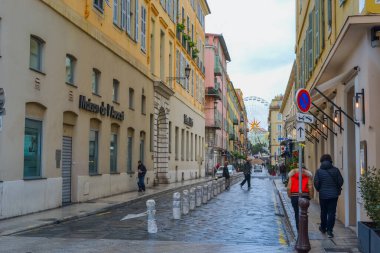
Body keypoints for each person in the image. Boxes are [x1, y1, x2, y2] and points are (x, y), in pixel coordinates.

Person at [314, 154, 344, 238]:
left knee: (323, 212)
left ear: (321, 161)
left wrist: (319, 189)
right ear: (330, 160)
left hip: (323, 195)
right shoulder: (336, 170)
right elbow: (341, 181)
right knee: (332, 212)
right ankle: (330, 231)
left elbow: (316, 182)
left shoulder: (319, 171)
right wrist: (336, 187)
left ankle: (323, 228)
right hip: (334, 195)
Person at [287, 165, 314, 231]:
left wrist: (290, 196)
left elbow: (289, 187)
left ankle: (299, 230)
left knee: (296, 213)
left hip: (294, 196)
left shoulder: (292, 176)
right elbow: (310, 187)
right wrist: (310, 196)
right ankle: (304, 230)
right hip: (305, 196)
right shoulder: (308, 176)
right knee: (304, 213)